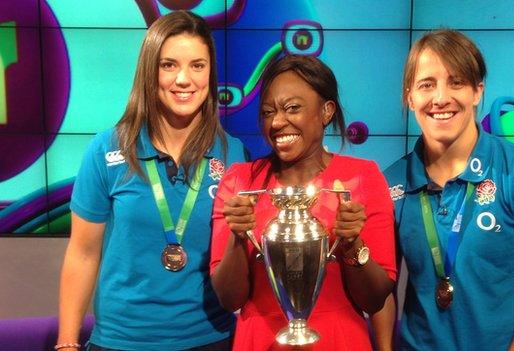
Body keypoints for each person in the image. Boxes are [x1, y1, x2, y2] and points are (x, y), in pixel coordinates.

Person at [378, 29, 514, 350]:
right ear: (410, 96)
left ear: (477, 91)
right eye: (427, 84)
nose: (441, 98)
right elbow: (381, 292)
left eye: (456, 82)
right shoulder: (390, 184)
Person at [56, 11, 243, 351]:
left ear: (211, 73)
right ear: (149, 72)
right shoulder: (105, 150)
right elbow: (82, 255)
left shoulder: (234, 155)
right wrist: (67, 343)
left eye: (197, 66)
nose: (184, 79)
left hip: (211, 338)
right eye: (169, 65)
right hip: (121, 341)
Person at [209, 54, 396, 350]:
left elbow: (374, 300)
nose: (278, 122)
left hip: (339, 340)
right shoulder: (240, 182)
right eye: (268, 112)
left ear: (326, 111)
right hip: (260, 340)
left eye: (292, 108)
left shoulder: (363, 177)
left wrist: (352, 244)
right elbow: (229, 298)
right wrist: (236, 237)